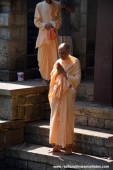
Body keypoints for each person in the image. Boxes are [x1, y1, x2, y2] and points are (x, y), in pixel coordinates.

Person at [48, 43, 81, 154]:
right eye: (59, 52)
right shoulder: (57, 62)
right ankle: (57, 144)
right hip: (57, 94)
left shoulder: (75, 62)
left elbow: (77, 79)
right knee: (56, 118)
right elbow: (52, 76)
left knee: (67, 120)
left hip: (67, 94)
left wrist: (64, 73)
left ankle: (68, 147)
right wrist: (57, 72)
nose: (61, 55)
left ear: (68, 51)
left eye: (63, 52)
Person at [34, 0, 62, 81]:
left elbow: (59, 20)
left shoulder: (57, 5)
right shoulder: (39, 5)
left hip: (53, 37)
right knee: (42, 59)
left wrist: (52, 24)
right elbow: (36, 21)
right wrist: (44, 25)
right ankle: (44, 78)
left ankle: (53, 78)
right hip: (43, 37)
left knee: (54, 58)